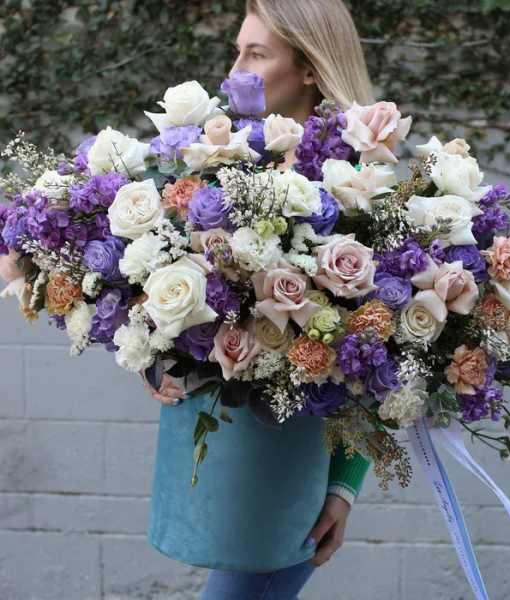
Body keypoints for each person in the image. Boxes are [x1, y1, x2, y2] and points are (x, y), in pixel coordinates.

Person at [142, 1, 378, 597]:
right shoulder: (221, 164)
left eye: (256, 54)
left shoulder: (359, 183)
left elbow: (383, 357)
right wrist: (156, 354)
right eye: (237, 51)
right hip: (220, 459)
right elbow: (169, 293)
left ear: (309, 68)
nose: (235, 71)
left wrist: (344, 487)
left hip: (293, 471)